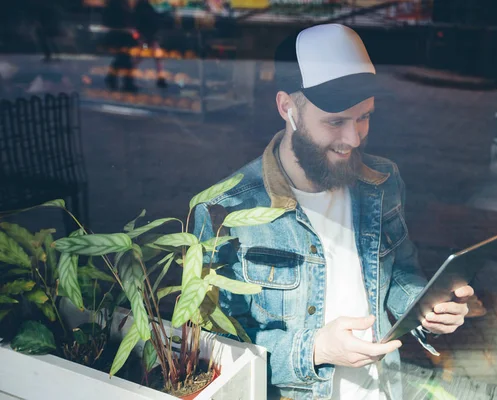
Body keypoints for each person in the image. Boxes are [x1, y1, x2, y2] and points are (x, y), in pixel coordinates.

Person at [193, 24, 474, 400]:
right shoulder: (223, 211)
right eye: (335, 121)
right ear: (287, 108)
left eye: (364, 117)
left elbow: (400, 273)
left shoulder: (383, 181)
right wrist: (316, 350)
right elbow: (212, 350)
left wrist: (425, 308)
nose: (354, 138)